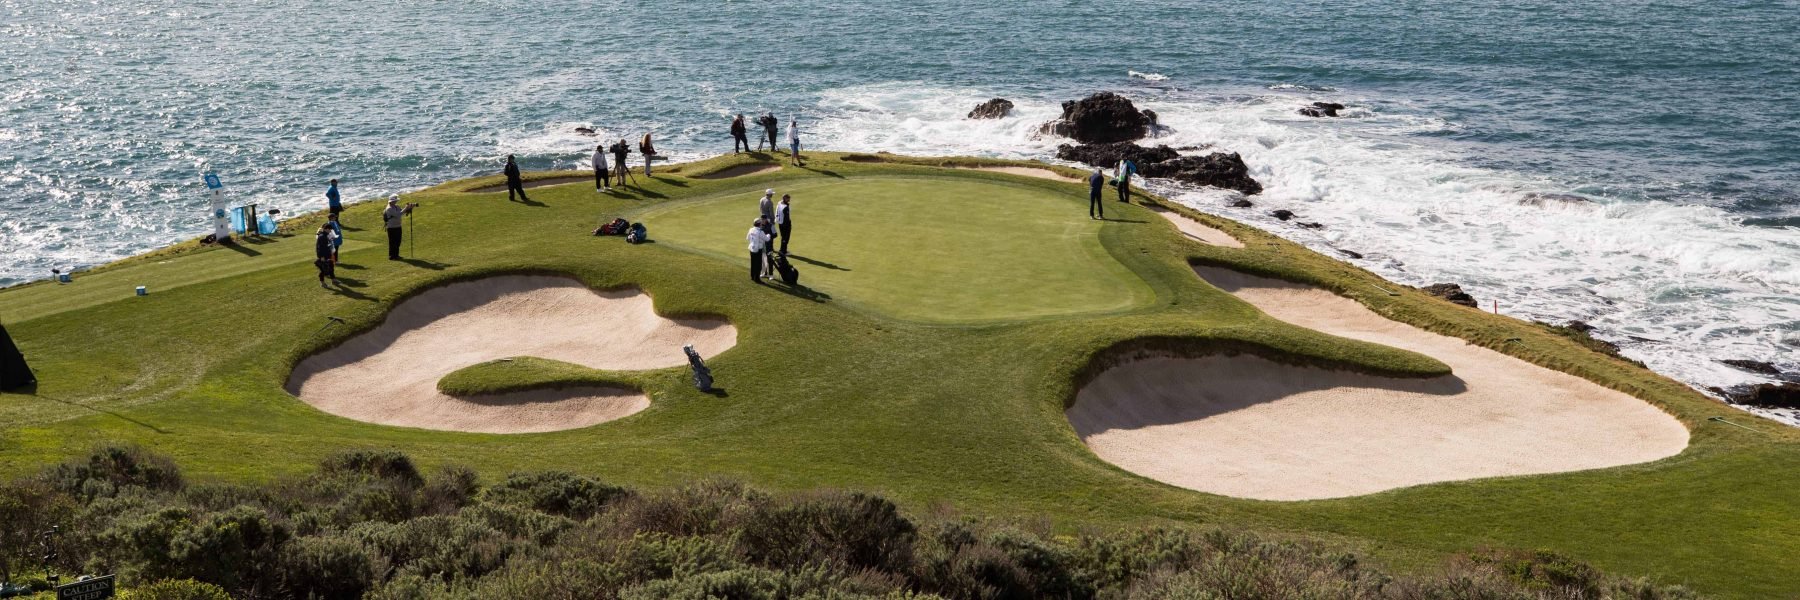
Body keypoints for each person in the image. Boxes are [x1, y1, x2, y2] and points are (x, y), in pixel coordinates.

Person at [383, 195, 416, 260]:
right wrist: (406, 208)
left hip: (398, 226)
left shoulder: (396, 206)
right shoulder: (389, 208)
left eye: (396, 200)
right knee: (393, 242)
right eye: (395, 201)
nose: (396, 201)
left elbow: (402, 212)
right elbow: (398, 215)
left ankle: (396, 255)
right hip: (391, 227)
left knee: (398, 241)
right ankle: (392, 256)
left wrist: (410, 208)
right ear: (391, 201)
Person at [747, 218, 772, 283]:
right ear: (759, 224)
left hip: (752, 248)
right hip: (758, 249)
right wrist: (768, 235)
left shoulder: (751, 229)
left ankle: (752, 276)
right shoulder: (760, 232)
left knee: (753, 263)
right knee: (758, 265)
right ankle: (757, 279)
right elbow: (767, 239)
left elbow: (748, 238)